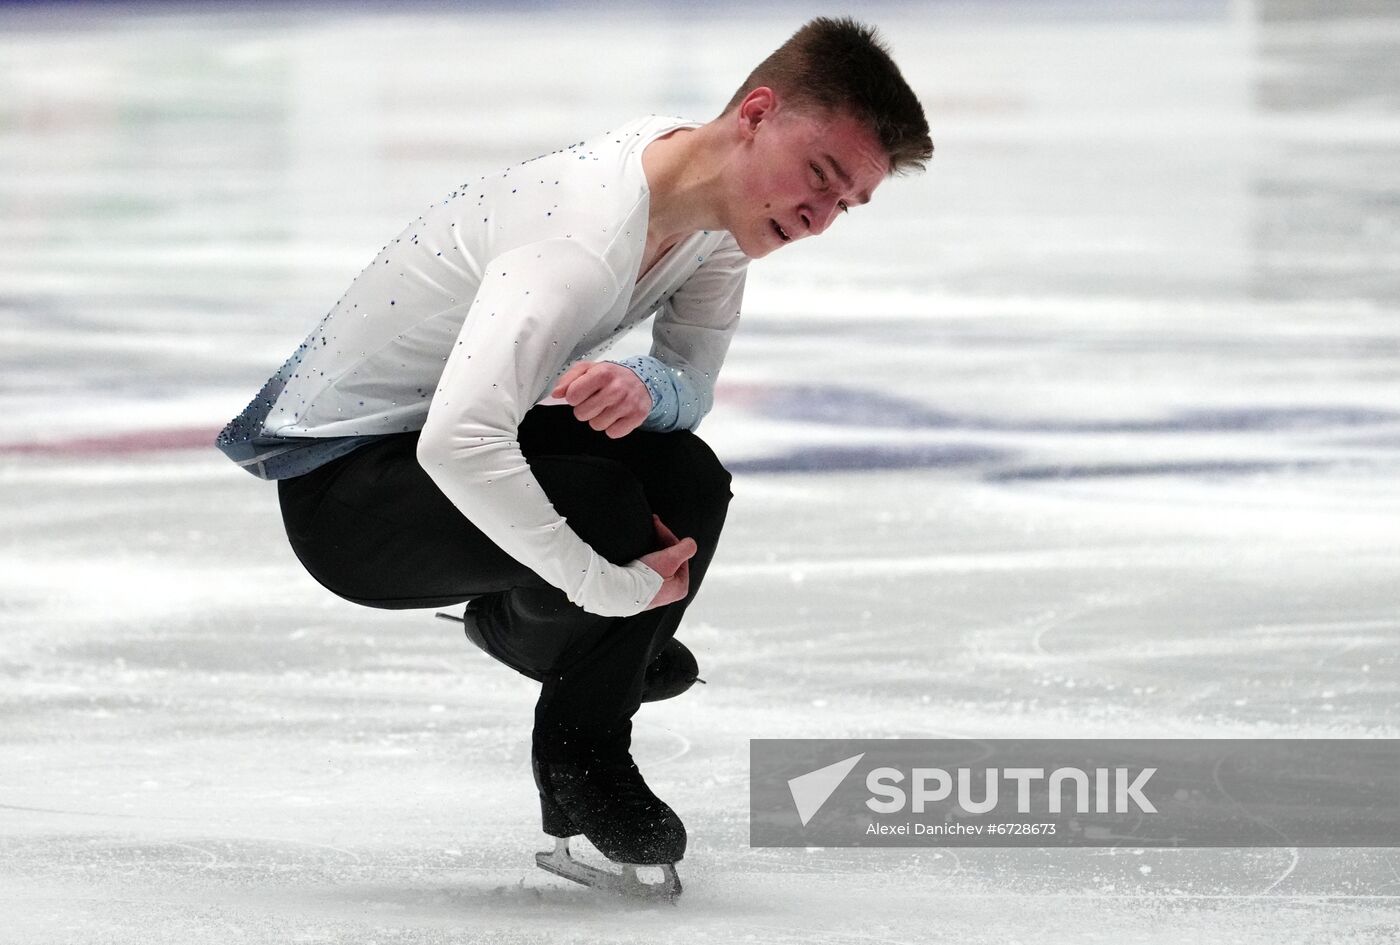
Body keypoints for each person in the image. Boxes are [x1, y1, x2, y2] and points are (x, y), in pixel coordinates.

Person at [217, 15, 931, 898]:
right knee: (602, 512)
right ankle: (577, 736)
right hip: (347, 499)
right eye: (821, 177)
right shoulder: (582, 235)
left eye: (845, 205)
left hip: (439, 448)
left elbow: (689, 382)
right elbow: (459, 441)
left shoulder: (714, 220)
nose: (819, 219)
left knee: (686, 477)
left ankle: (557, 646)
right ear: (756, 112)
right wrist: (607, 592)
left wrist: (647, 390)